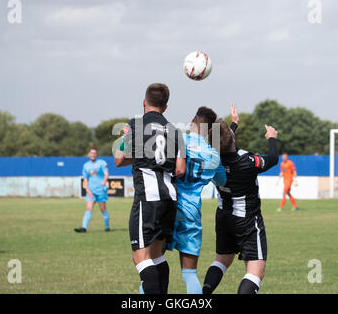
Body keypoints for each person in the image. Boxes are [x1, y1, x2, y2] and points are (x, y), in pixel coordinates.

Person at [114, 83, 186, 294]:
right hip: (170, 198)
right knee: (156, 255)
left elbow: (118, 159)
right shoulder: (175, 130)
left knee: (141, 257)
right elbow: (180, 169)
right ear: (165, 106)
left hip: (148, 198)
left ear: (144, 102)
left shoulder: (134, 125)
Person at [202, 107, 279, 294]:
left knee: (221, 260)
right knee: (255, 270)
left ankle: (203, 296)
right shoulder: (247, 161)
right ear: (232, 138)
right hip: (247, 220)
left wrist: (234, 124)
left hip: (223, 216)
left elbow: (221, 143)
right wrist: (272, 138)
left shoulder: (211, 159)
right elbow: (273, 158)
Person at [165, 106, 227, 294]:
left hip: (167, 206)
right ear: (210, 130)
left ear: (192, 121)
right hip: (191, 212)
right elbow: (222, 181)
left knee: (153, 266)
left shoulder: (176, 140)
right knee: (190, 274)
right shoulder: (213, 155)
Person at [74, 146, 110, 233]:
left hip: (101, 190)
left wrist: (104, 181)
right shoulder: (86, 166)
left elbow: (106, 174)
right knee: (88, 208)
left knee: (103, 209)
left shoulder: (102, 163)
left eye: (95, 153)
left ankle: (107, 227)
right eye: (92, 153)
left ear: (96, 154)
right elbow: (85, 179)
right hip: (91, 191)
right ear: (88, 154)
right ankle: (84, 228)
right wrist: (87, 189)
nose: (93, 154)